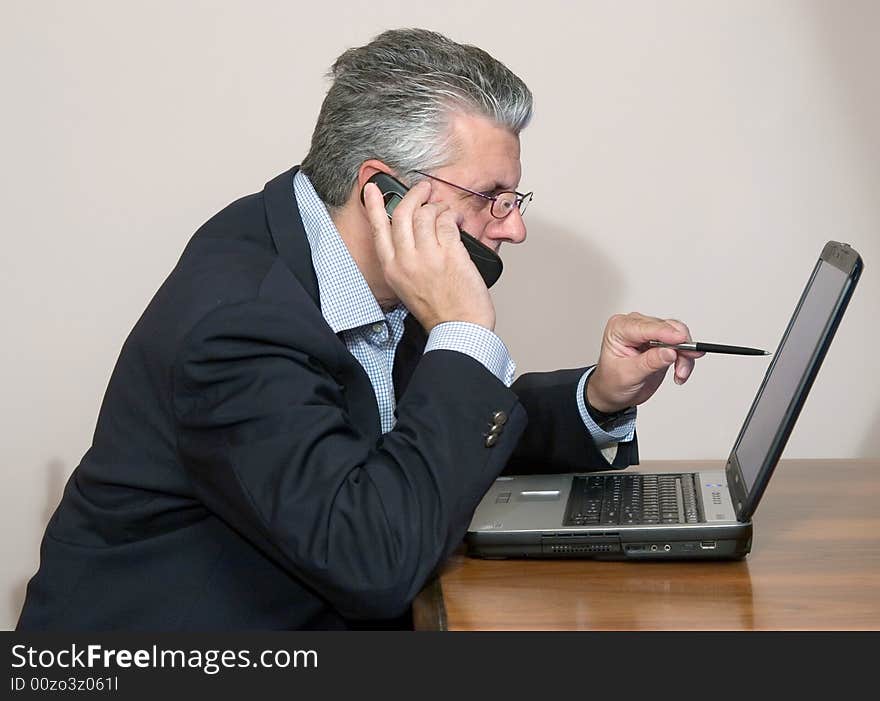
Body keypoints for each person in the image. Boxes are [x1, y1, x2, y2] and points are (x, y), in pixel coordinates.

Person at [17, 28, 701, 630]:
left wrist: (597, 399)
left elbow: (423, 440)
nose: (513, 226)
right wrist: (462, 328)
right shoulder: (241, 325)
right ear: (383, 190)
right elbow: (374, 559)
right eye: (491, 197)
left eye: (514, 199)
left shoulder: (340, 253)